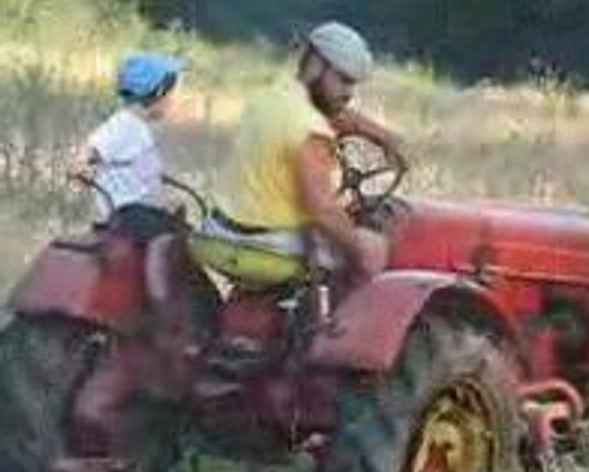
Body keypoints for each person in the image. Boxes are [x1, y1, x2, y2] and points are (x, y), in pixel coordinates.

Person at [206, 21, 405, 279]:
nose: (349, 93)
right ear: (316, 65)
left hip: (218, 232)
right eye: (343, 80)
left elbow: (337, 117)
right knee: (374, 248)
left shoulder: (274, 97)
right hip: (265, 245)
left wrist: (386, 138)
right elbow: (323, 210)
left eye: (353, 84)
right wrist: (359, 252)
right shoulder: (310, 129)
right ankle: (336, 318)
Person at [74, 51, 184, 242]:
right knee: (180, 239)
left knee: (179, 221)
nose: (174, 101)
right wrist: (82, 162)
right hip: (129, 215)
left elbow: (149, 177)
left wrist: (169, 201)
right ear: (158, 92)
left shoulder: (139, 130)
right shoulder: (124, 124)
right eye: (172, 95)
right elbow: (94, 146)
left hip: (138, 212)